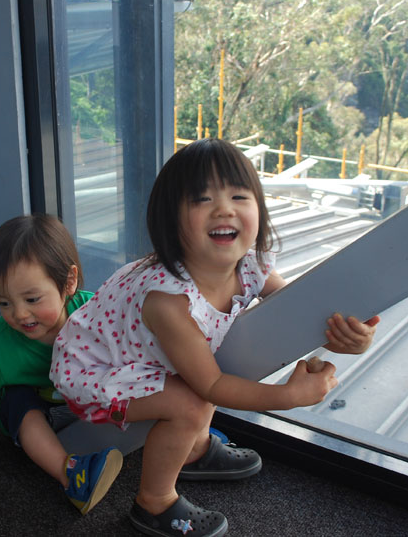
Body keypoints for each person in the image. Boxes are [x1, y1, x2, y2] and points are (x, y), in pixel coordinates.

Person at [50, 139, 380, 536]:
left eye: (239, 196)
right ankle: (154, 502)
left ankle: (193, 451)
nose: (224, 209)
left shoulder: (250, 266)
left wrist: (346, 337)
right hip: (94, 370)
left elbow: (301, 314)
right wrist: (288, 397)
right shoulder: (168, 302)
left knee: (200, 379)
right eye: (202, 199)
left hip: (139, 353)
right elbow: (212, 386)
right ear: (170, 221)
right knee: (192, 401)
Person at [0, 214, 122, 515]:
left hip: (82, 403)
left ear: (68, 282)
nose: (20, 314)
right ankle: (72, 475)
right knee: (16, 399)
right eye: (4, 303)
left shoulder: (92, 313)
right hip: (36, 417)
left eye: (32, 299)